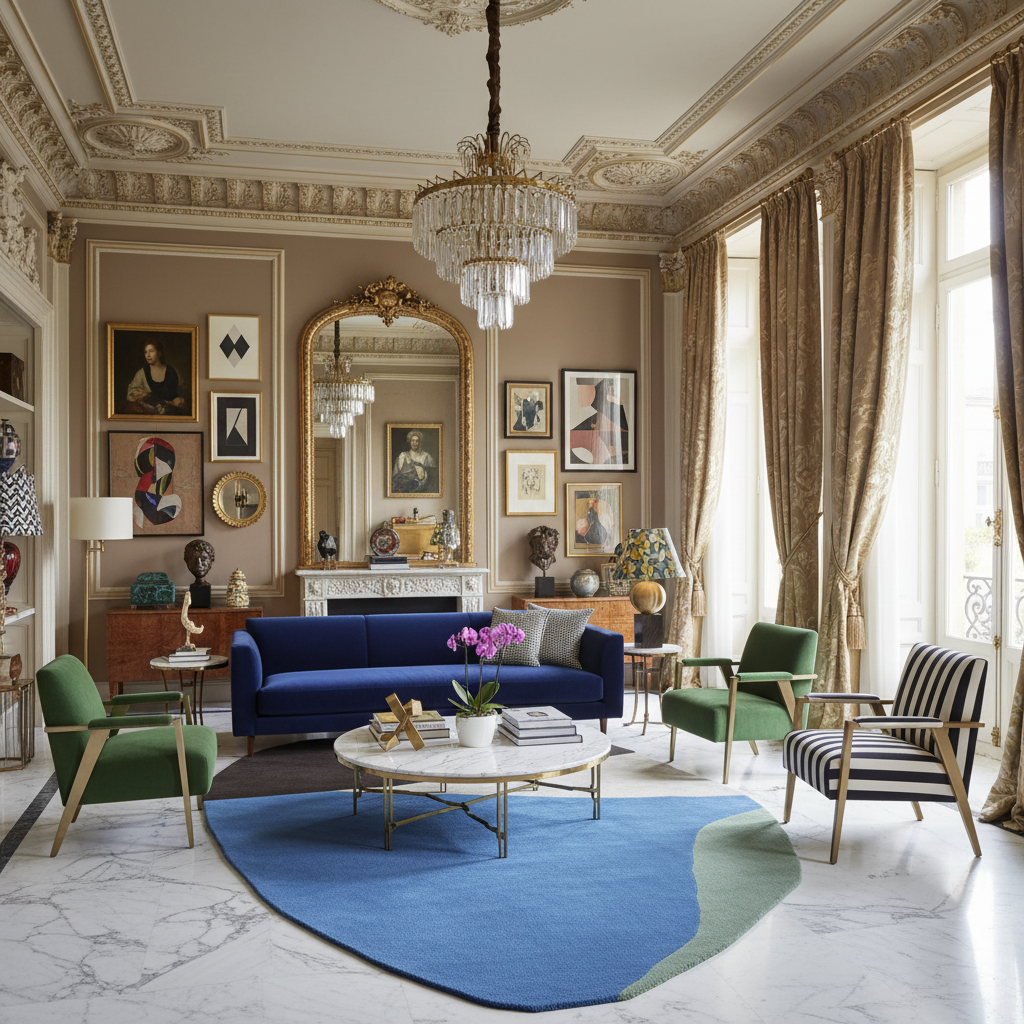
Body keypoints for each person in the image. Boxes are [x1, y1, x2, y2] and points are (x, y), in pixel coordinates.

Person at [125, 337, 186, 415]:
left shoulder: (173, 372)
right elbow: (131, 394)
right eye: (145, 352)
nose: (148, 355)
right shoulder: (141, 373)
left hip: (172, 414)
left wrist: (180, 400)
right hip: (149, 414)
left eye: (151, 351)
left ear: (159, 353)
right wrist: (143, 395)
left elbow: (183, 392)